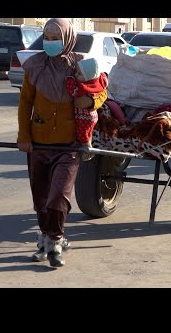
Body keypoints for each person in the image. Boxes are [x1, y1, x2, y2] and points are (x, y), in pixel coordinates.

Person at [17, 18, 108, 268]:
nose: (50, 43)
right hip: (38, 144)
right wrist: (24, 137)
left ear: (67, 38)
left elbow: (101, 90)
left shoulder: (81, 64)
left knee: (58, 195)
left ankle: (56, 240)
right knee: (40, 197)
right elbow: (25, 102)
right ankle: (45, 238)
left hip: (69, 146)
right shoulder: (34, 66)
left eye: (55, 38)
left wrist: (90, 103)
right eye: (46, 37)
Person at [65, 57, 108, 153]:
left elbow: (72, 91)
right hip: (92, 115)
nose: (76, 75)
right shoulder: (96, 83)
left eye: (79, 74)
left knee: (82, 135)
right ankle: (87, 146)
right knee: (87, 133)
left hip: (84, 116)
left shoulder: (83, 87)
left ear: (88, 76)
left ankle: (87, 149)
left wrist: (69, 80)